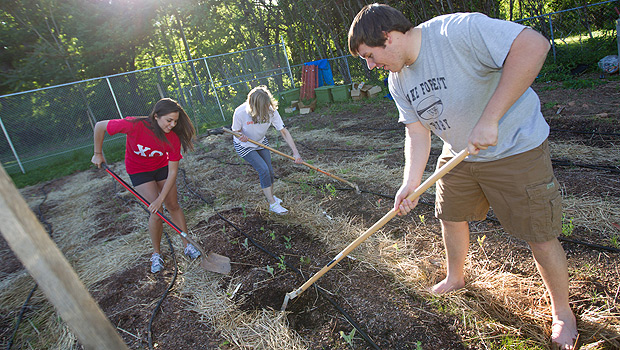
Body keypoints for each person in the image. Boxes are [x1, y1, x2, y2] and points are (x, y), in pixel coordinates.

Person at [348, 4, 577, 349]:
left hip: (514, 147)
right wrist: (410, 183)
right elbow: (417, 132)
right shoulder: (398, 79)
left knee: (539, 233)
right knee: (450, 216)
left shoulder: (457, 31)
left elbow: (534, 45)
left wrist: (491, 118)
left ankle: (563, 314)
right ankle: (456, 277)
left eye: (369, 55)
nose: (370, 65)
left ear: (388, 37)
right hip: (458, 153)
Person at [91, 98, 201, 273]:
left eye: (175, 121)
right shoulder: (134, 125)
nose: (172, 125)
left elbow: (173, 173)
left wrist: (161, 198)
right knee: (157, 213)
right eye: (169, 120)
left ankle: (188, 245)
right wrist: (98, 153)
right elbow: (100, 126)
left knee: (172, 205)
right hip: (139, 171)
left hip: (161, 168)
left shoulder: (172, 138)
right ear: (156, 116)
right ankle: (156, 254)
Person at [231, 85, 303, 214]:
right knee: (263, 169)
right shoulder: (240, 112)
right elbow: (235, 131)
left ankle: (271, 196)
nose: (266, 109)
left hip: (261, 142)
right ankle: (272, 204)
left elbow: (284, 132)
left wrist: (295, 153)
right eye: (262, 107)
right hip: (245, 146)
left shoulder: (271, 111)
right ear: (253, 105)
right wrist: (240, 135)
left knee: (269, 170)